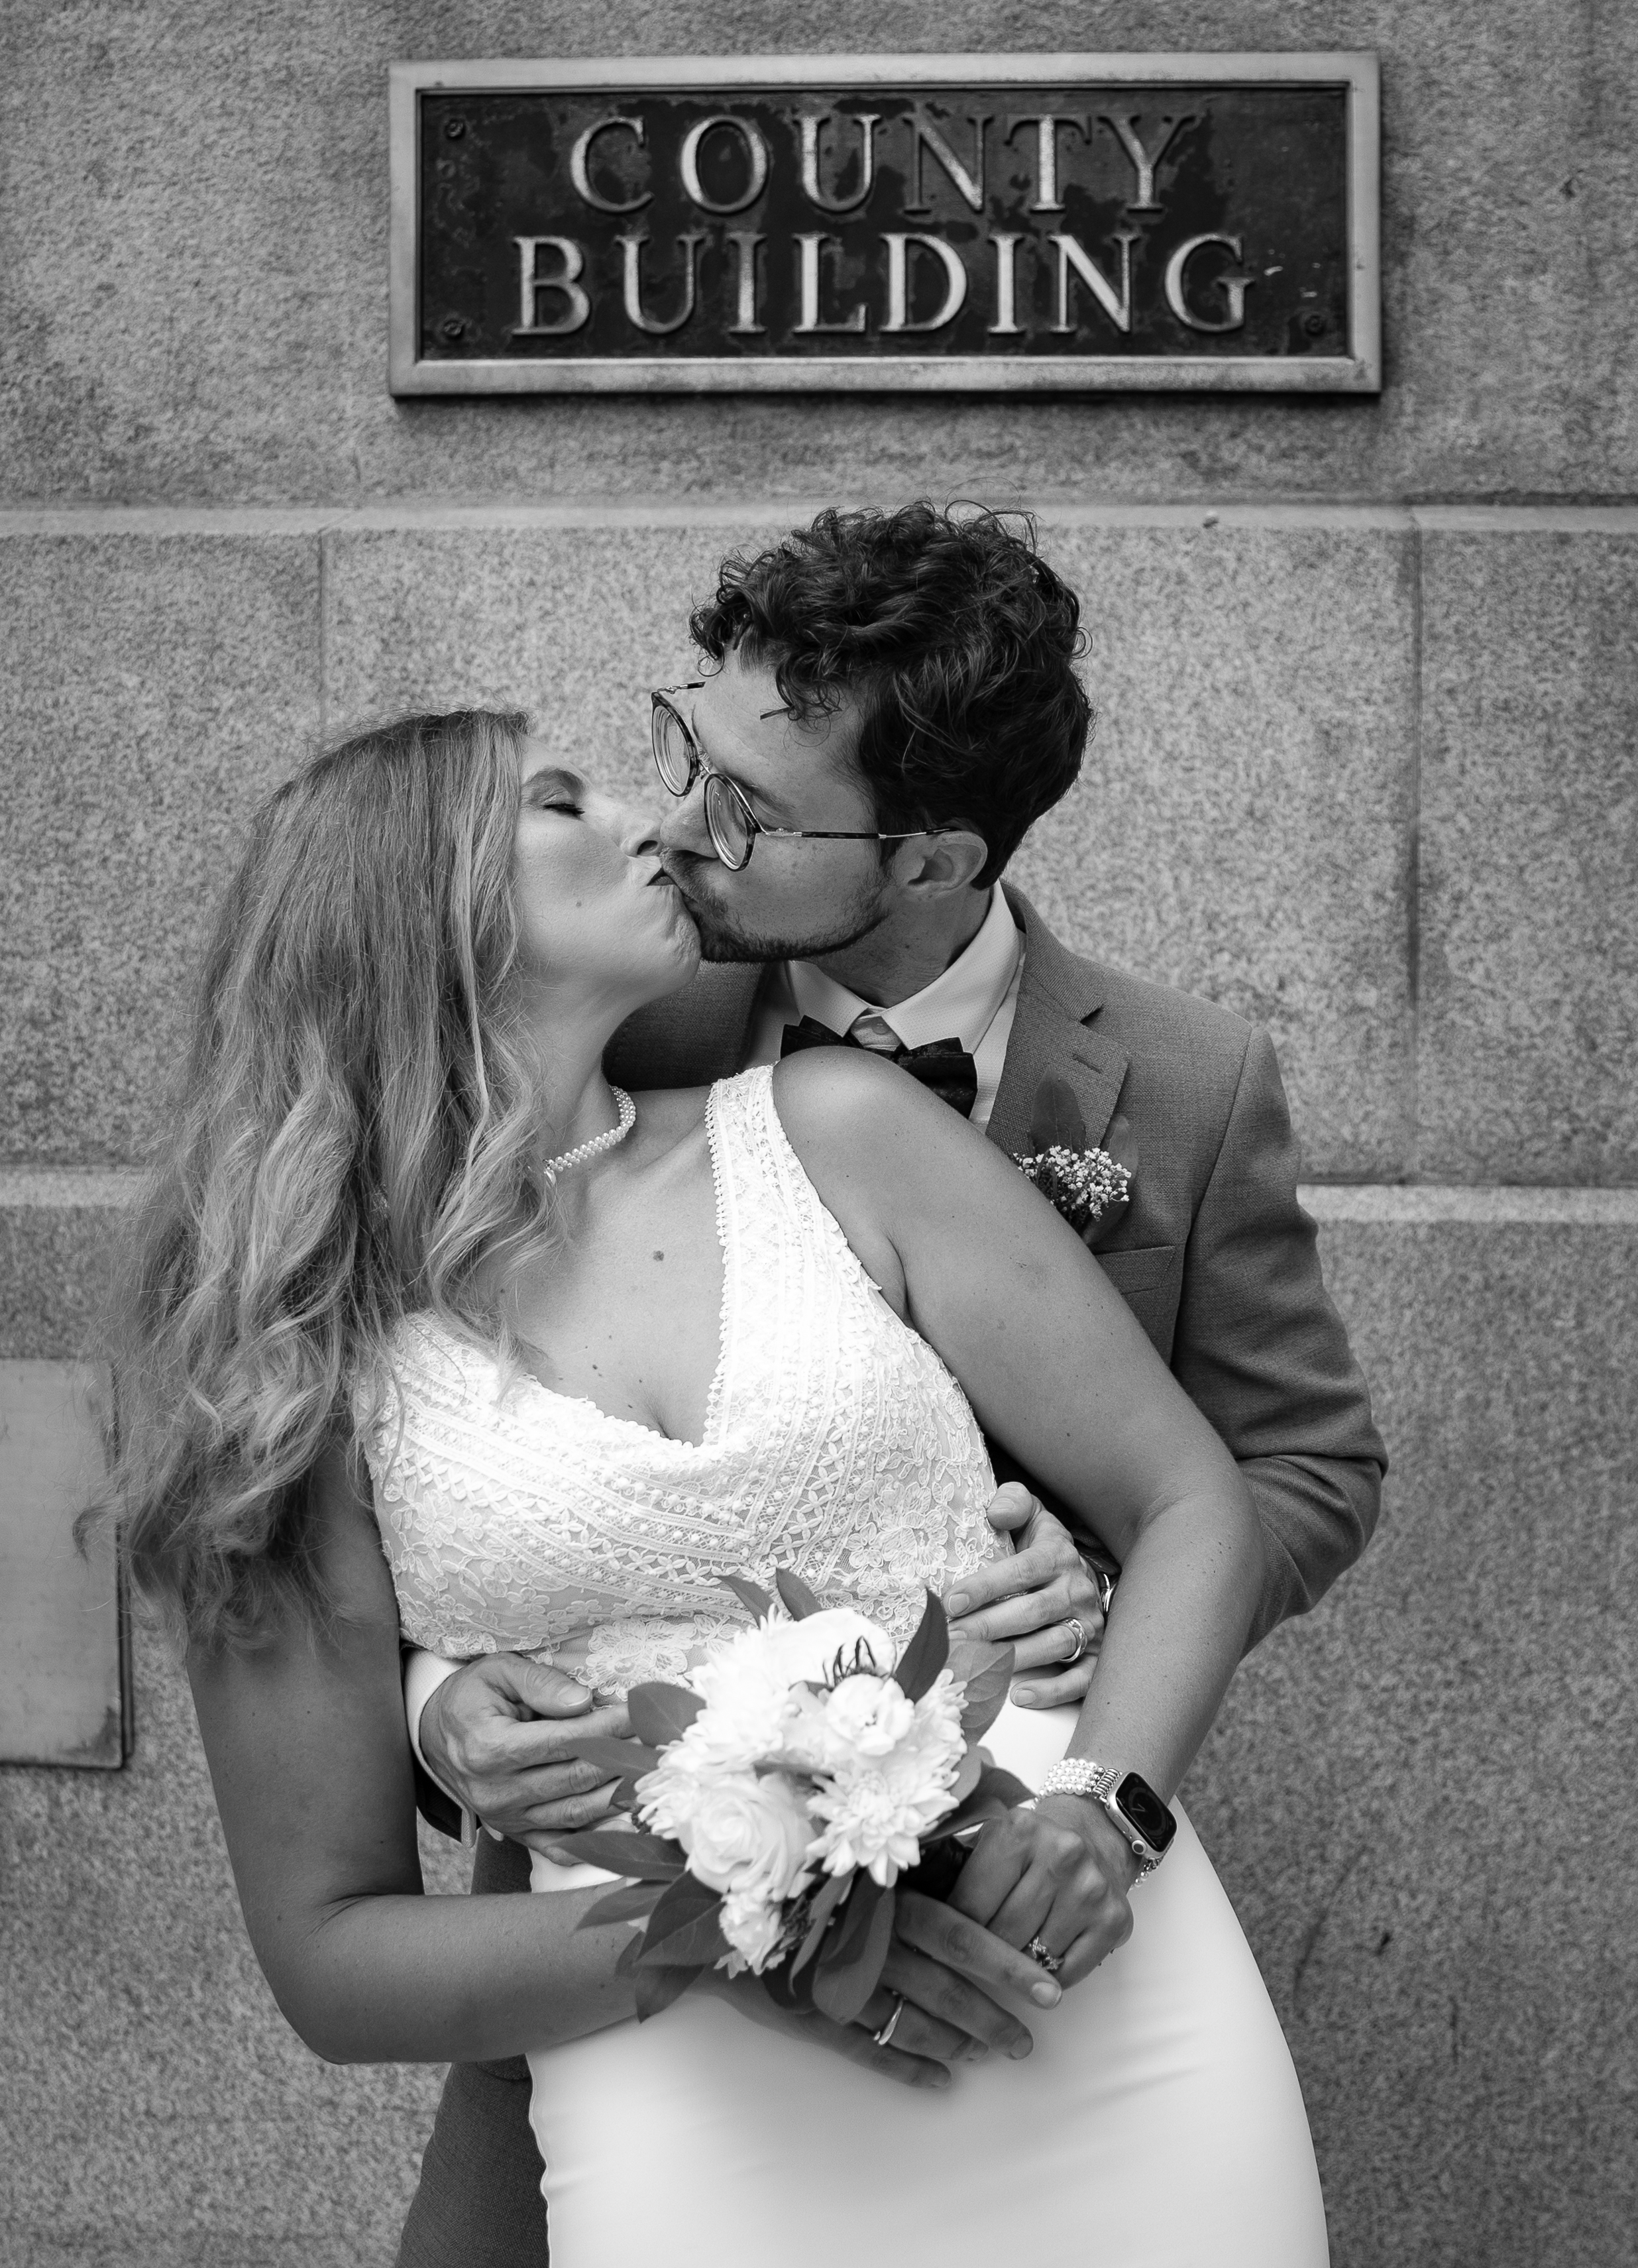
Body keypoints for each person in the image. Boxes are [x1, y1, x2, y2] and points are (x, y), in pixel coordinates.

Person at [104, 700, 1331, 2268]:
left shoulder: (843, 1133)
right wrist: (751, 1928)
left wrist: (1108, 1812)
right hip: (683, 2076)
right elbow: (335, 1963)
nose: (654, 821)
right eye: (563, 800)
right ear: (415, 911)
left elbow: (1195, 1496)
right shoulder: (286, 1365)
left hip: (1089, 1976)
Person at [400, 504, 1382, 2265]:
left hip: (1018, 1875)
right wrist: (432, 1696)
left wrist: (1098, 1585)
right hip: (646, 1942)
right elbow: (433, 1434)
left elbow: (1302, 1466)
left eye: (750, 809)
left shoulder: (1188, 1080)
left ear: (931, 859)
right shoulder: (616, 1017)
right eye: (687, 750)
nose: (680, 825)